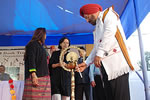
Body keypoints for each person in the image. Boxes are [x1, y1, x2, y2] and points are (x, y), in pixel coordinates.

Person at [78, 4, 139, 100]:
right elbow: (97, 47)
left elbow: (109, 33)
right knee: (110, 96)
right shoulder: (98, 26)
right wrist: (86, 63)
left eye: (87, 17)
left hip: (117, 66)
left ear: (92, 11)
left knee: (120, 97)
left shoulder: (108, 15)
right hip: (106, 68)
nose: (87, 21)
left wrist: (99, 54)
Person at [23, 28, 51, 100]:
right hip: (37, 76)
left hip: (44, 76)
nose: (46, 36)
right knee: (33, 97)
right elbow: (31, 59)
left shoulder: (40, 46)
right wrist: (33, 74)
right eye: (45, 34)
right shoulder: (32, 44)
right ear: (41, 34)